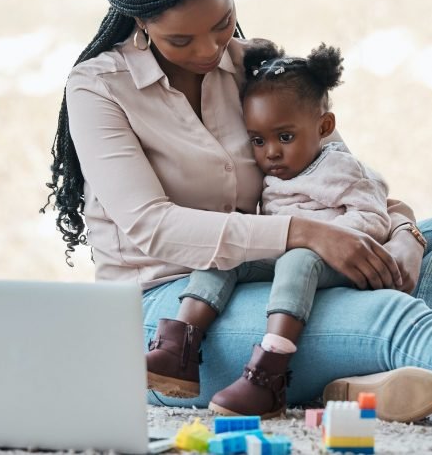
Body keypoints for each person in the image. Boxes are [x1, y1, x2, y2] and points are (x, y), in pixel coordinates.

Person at [42, 0, 432, 422]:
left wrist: (404, 236)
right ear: (140, 20)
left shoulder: (257, 68)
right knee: (393, 319)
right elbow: (150, 225)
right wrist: (303, 233)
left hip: (273, 282)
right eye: (181, 40)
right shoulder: (99, 88)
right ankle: (373, 359)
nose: (208, 50)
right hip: (175, 315)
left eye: (221, 23)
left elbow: (340, 174)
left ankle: (354, 383)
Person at [147, 40, 400, 418]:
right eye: (258, 141)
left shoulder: (343, 169)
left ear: (324, 126)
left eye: (285, 137)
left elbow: (374, 217)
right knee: (228, 254)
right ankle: (178, 343)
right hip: (284, 261)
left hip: (332, 264)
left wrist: (325, 236)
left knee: (298, 258)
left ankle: (269, 371)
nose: (271, 153)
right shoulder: (276, 175)